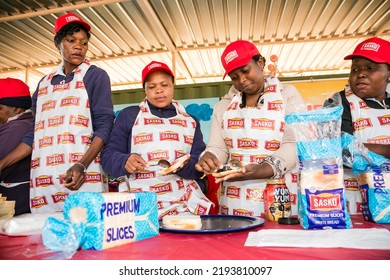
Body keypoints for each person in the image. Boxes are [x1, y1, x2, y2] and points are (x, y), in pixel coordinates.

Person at [0, 12, 115, 213]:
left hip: (82, 175)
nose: (79, 46)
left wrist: (82, 165)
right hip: (44, 181)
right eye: (71, 40)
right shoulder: (43, 84)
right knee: (46, 239)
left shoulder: (95, 76)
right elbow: (33, 135)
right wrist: (2, 164)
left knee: (86, 233)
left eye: (84, 42)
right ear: (58, 43)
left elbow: (105, 126)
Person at [195, 40, 305, 216]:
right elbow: (218, 148)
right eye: (234, 77)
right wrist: (210, 158)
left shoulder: (287, 95)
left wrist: (263, 170)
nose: (242, 80)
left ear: (260, 63)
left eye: (245, 71)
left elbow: (295, 142)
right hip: (234, 202)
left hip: (279, 197)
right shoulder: (223, 105)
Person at [101, 61, 212, 218]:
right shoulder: (129, 116)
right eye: (152, 87)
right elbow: (108, 156)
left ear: (173, 85)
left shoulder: (190, 121)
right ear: (145, 90)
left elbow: (200, 164)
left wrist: (186, 165)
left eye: (164, 85)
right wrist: (125, 160)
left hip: (182, 206)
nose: (158, 91)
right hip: (139, 206)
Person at [324, 37, 390, 214]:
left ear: (388, 73)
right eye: (355, 69)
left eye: (370, 68)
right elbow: (337, 151)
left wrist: (368, 149)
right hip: (353, 199)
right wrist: (387, 151)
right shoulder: (338, 103)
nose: (360, 74)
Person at [0, 78, 33, 216]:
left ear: (16, 108)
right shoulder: (27, 122)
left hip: (15, 204)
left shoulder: (16, 128)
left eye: (0, 108)